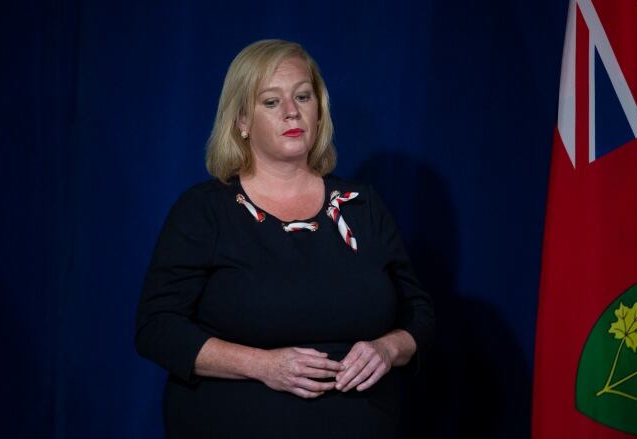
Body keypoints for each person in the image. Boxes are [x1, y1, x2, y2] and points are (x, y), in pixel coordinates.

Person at [135, 39, 434, 438]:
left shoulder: (362, 206)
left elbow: (419, 312)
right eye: (271, 102)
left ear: (319, 109)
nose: (292, 112)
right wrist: (262, 366)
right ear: (242, 121)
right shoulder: (205, 212)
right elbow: (157, 328)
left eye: (303, 96)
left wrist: (389, 349)